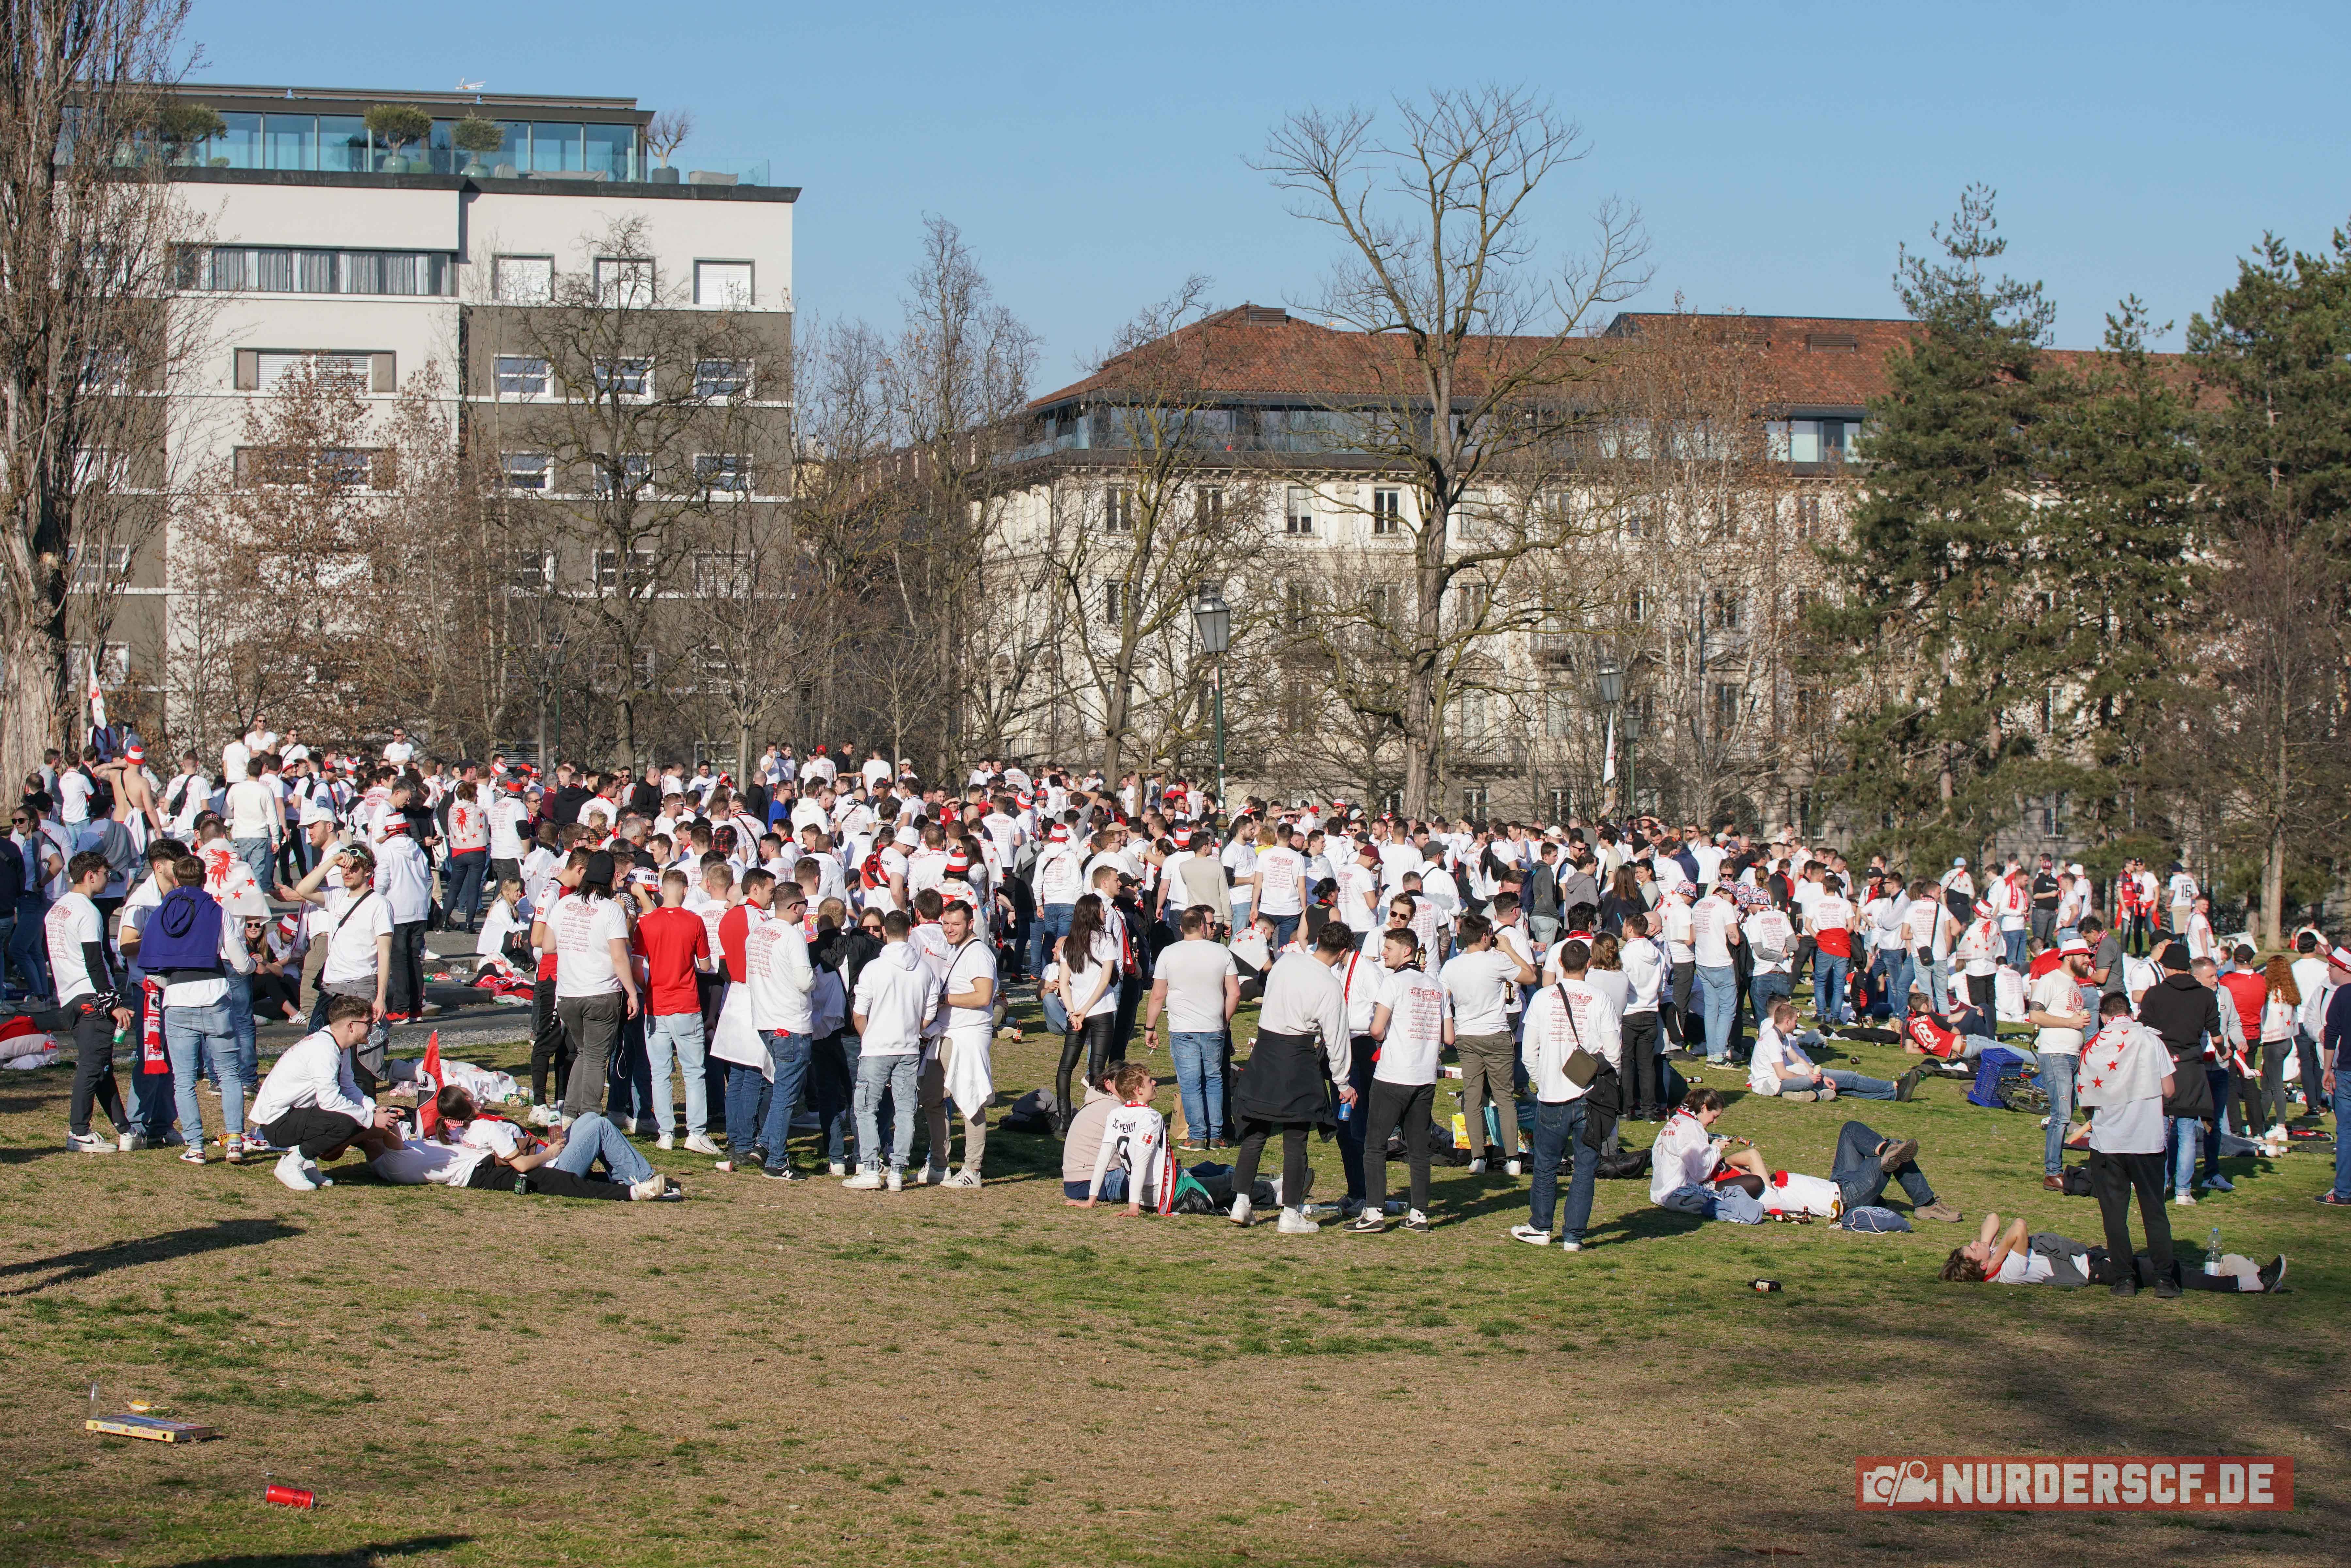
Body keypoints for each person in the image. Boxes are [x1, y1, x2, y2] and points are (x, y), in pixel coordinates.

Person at [1230, 920, 1356, 1233]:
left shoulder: (1286, 963)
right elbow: (1337, 1038)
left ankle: (1241, 1202)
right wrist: (1343, 1082)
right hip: (1297, 1055)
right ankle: (1290, 1215)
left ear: (1317, 941)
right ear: (1343, 953)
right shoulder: (1329, 986)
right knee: (1296, 1139)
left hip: (1266, 1050)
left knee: (1255, 1132)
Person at [1511, 938, 1622, 1252]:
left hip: (1552, 1095)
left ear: (1560, 963)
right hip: (1590, 1096)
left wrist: (1541, 1079)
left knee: (1546, 1164)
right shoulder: (1600, 999)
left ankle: (1541, 1226)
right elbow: (1614, 1053)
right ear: (1590, 964)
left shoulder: (1543, 999)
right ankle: (1573, 1236)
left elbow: (1528, 1051)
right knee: (1585, 1168)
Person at [147, 855, 257, 1165]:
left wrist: (170, 983)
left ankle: (196, 1146)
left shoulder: (161, 912)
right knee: (229, 1074)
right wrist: (252, 967)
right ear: (205, 879)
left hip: (178, 999)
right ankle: (235, 1141)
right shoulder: (216, 910)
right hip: (215, 997)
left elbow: (151, 965)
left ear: (177, 880)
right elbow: (239, 961)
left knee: (183, 1079)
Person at [2076, 991, 2180, 1295]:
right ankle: (2164, 1279)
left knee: (2115, 1215)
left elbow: (2085, 1097)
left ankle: (2124, 1279)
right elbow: (2170, 1089)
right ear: (2130, 1013)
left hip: (2109, 1142)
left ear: (2104, 1017)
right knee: (2155, 1212)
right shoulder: (2150, 1040)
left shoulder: (2094, 1046)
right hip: (2147, 1140)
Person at [1349, 926, 1450, 1235]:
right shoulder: (1437, 987)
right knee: (1419, 1148)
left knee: (1375, 1144)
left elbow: (1377, 1030)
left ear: (1407, 951)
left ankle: (1374, 1211)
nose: (1384, 953)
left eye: (1389, 948)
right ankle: (1419, 1214)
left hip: (1393, 1075)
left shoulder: (1393, 983)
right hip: (1425, 1077)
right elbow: (1450, 1037)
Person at [248, 993, 404, 1191]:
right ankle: (291, 1164)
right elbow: (330, 1100)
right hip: (277, 1122)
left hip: (295, 1113)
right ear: (351, 1026)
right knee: (345, 1122)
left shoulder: (339, 1045)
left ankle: (307, 1164)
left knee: (352, 1117)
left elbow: (348, 1087)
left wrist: (374, 1110)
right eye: (368, 1023)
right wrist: (369, 1120)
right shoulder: (324, 1049)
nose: (372, 1028)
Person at [1940, 1211, 2281, 1293]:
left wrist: (1990, 1251)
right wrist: (1996, 1255)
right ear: (1985, 1264)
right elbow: (2017, 1224)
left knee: (2171, 1266)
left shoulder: (1999, 1262)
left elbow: (1993, 1218)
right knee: (2171, 1272)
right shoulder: (2009, 1269)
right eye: (1973, 1248)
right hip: (2099, 1271)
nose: (1975, 1241)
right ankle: (2254, 1284)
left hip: (2095, 1260)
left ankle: (2238, 1276)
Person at [46, 849, 136, 1152]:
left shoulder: (57, 909)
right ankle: (79, 1131)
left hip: (69, 996)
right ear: (90, 876)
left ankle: (125, 1129)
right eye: (105, 873)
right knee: (92, 1066)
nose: (108, 878)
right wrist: (113, 1003)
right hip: (92, 998)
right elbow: (95, 962)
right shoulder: (87, 911)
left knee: (100, 1066)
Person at [846, 910, 939, 1191]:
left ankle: (871, 1168)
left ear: (885, 932)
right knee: (905, 1111)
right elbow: (930, 1012)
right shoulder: (924, 969)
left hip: (878, 1048)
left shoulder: (874, 969)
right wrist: (913, 1029)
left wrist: (869, 1037)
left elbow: (859, 1013)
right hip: (909, 1048)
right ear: (910, 931)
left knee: (866, 1108)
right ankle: (898, 1170)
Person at [545, 850, 639, 1126]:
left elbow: (548, 945)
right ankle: (588, 1115)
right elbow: (620, 957)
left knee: (584, 1053)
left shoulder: (564, 904)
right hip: (600, 992)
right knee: (597, 1057)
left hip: (568, 994)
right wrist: (631, 992)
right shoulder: (611, 909)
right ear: (612, 879)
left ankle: (569, 1114)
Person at [1441, 912, 1535, 1177]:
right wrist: (1508, 949)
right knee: (1503, 1097)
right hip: (1495, 1034)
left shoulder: (1451, 967)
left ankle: (1478, 1157)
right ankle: (1513, 1158)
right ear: (1485, 937)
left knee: (1473, 1098)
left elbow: (1443, 998)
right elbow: (1530, 977)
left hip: (1467, 1035)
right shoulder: (1496, 961)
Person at [631, 867, 715, 1153]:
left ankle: (666, 1132)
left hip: (656, 1005)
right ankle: (696, 1132)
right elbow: (705, 965)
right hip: (686, 1003)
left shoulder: (646, 923)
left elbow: (636, 967)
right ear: (683, 889)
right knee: (694, 1071)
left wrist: (651, 984)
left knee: (660, 1072)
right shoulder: (694, 921)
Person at [1144, 904, 1238, 1151]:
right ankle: (1216, 1135)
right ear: (1204, 926)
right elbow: (1235, 993)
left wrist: (1150, 1026)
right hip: (1213, 1025)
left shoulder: (1169, 953)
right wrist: (1224, 1021)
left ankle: (1197, 1135)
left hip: (1182, 1026)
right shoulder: (1221, 952)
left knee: (1190, 1082)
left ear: (1181, 927)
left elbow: (1157, 995)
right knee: (1215, 1079)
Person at [919, 895, 996, 1188]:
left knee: (970, 1101)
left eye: (956, 924)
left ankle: (972, 1171)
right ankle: (940, 1164)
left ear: (970, 923)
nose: (950, 929)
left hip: (967, 1037)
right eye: (946, 924)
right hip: (946, 1034)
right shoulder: (956, 950)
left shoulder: (978, 954)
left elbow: (983, 996)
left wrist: (944, 999)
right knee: (931, 1098)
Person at [2135, 941, 2219, 1206]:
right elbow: (2216, 1034)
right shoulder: (2206, 995)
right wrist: (2225, 1050)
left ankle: (2158, 1189)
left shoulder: (2154, 994)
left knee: (2158, 1132)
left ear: (2166, 967)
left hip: (2160, 1066)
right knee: (2186, 1130)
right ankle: (2183, 1192)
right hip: (2191, 1067)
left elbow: (2143, 1031)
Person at [2027, 937, 2096, 1190]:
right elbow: (2035, 1014)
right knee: (2062, 1115)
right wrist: (2071, 1023)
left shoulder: (2074, 985)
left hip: (2072, 1055)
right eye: (2084, 956)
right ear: (2070, 958)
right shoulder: (2051, 980)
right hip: (2056, 1053)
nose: (2089, 960)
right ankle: (2052, 1173)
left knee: (2076, 1110)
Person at [1747, 999, 1915, 1102]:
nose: (1797, 1024)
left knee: (1843, 1084)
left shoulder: (1781, 1037)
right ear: (1787, 1021)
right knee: (1819, 1082)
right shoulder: (1772, 1039)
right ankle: (1893, 1088)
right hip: (1770, 1084)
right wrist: (1809, 1076)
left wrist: (1821, 1075)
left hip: (1784, 1078)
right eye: (1796, 1021)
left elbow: (1798, 1060)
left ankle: (1892, 1093)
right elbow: (1782, 1074)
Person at [1053, 893, 1122, 1132]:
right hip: (1101, 1010)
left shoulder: (1070, 943)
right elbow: (1105, 982)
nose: (1105, 913)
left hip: (1077, 1014)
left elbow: (1064, 983)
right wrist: (1084, 1011)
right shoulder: (1107, 941)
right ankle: (1095, 1118)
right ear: (1094, 913)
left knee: (1066, 1066)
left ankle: (1064, 1121)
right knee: (1097, 1068)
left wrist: (1074, 1013)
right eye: (1103, 910)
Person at [1646, 1088, 1767, 1224]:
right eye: (1715, 1117)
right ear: (1704, 1108)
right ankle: (1770, 1198)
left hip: (1661, 1189)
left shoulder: (1677, 1120)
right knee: (1755, 1183)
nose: (1714, 1122)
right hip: (1678, 1191)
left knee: (1741, 1174)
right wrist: (1716, 1149)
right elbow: (1700, 1173)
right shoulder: (1692, 1128)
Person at [1075, 1062, 1171, 1215]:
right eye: (1149, 1081)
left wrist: (1091, 1199)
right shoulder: (1151, 1117)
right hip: (1162, 1192)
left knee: (1205, 1171)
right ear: (1138, 1090)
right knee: (1219, 1180)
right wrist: (1134, 1207)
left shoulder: (1116, 1114)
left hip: (1140, 1193)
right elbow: (1140, 1162)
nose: (1155, 1083)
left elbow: (1103, 1158)